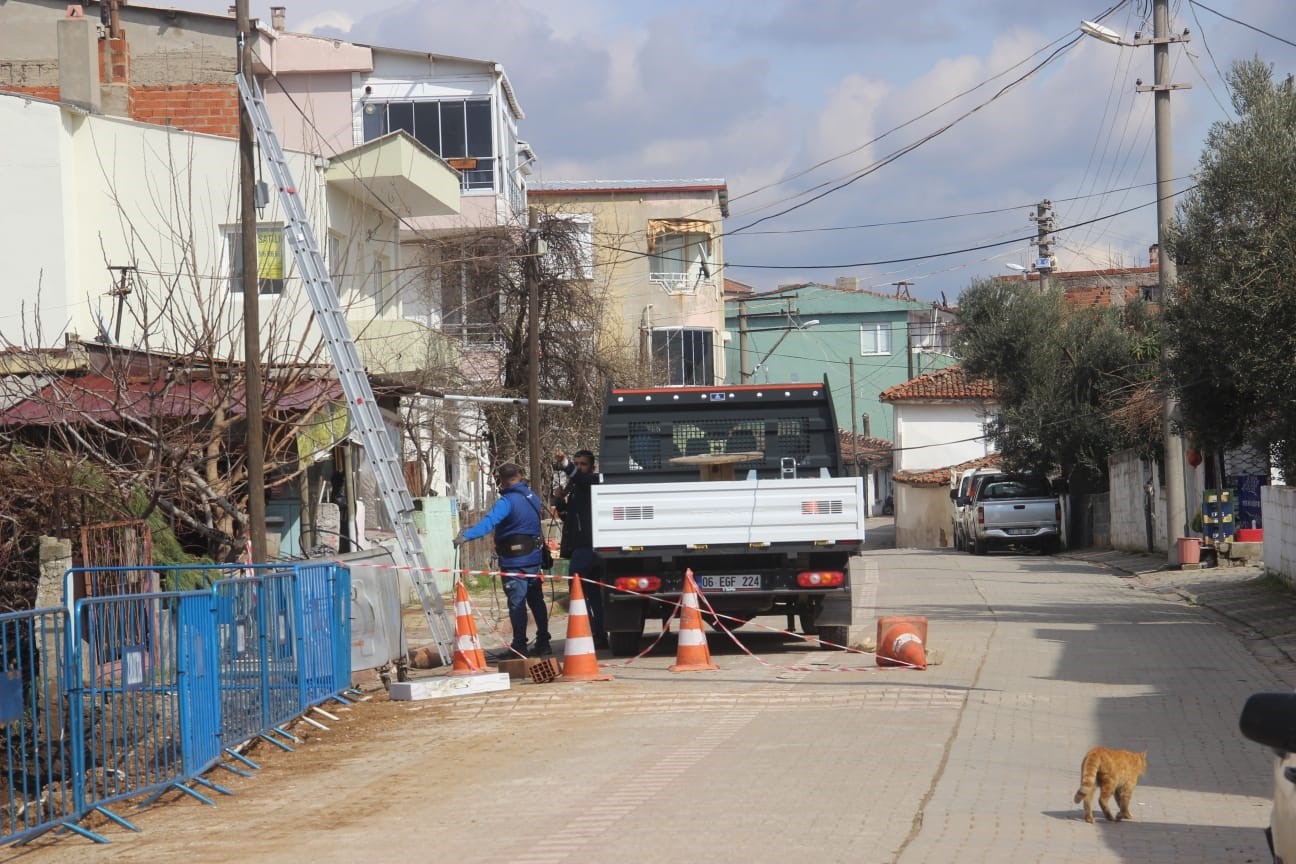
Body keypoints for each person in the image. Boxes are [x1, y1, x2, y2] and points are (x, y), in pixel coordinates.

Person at [454, 463, 551, 658]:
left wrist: (465, 536)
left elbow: (489, 522)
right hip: (534, 558)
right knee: (536, 601)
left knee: (517, 603)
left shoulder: (506, 502)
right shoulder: (532, 497)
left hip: (515, 561)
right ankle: (543, 642)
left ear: (501, 481)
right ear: (520, 475)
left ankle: (519, 646)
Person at [551, 448, 607, 648]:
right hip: (579, 547)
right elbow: (568, 517)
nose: (579, 467)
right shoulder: (576, 488)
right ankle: (597, 633)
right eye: (576, 464)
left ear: (592, 466)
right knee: (589, 594)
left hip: (589, 547)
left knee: (578, 590)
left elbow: (581, 478)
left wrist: (566, 464)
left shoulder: (593, 481)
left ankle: (591, 632)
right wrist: (560, 502)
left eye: (583, 464)